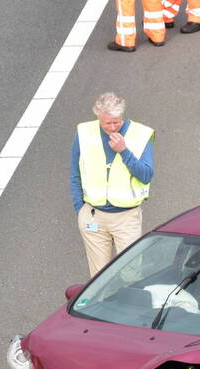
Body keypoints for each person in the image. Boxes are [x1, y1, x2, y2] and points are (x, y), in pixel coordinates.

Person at [70, 93, 155, 277]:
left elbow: (146, 174)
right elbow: (75, 173)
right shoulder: (84, 133)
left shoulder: (140, 135)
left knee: (131, 275)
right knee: (99, 279)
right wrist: (80, 209)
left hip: (126, 217)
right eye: (107, 123)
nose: (112, 127)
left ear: (122, 116)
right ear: (98, 117)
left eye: (116, 122)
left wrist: (124, 151)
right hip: (93, 216)